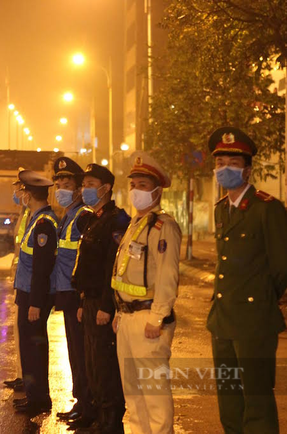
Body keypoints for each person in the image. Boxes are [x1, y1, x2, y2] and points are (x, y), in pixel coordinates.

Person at [207, 127, 287, 434]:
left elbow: (284, 265)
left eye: (231, 164)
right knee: (229, 399)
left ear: (247, 170)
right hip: (222, 320)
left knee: (256, 399)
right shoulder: (222, 210)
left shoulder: (266, 208)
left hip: (254, 321)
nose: (224, 170)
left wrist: (259, 298)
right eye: (219, 164)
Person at [111, 152, 180, 434]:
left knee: (154, 396)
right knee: (134, 396)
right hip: (127, 319)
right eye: (133, 185)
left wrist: (158, 316)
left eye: (142, 185)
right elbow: (123, 273)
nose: (135, 191)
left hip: (148, 320)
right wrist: (118, 312)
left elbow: (167, 274)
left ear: (156, 190)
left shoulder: (163, 226)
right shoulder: (136, 224)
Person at [71, 163, 130, 433]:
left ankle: (110, 419)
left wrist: (107, 306)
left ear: (106, 189)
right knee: (91, 361)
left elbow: (111, 268)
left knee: (106, 364)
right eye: (84, 184)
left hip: (103, 303)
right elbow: (87, 265)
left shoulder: (116, 221)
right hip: (90, 300)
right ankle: (95, 413)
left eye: (91, 184)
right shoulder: (93, 219)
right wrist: (84, 301)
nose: (85, 189)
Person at [50, 157, 95, 429]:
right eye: (58, 184)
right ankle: (81, 401)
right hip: (66, 293)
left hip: (77, 294)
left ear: (78, 189)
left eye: (67, 184)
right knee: (75, 353)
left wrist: (80, 295)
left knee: (82, 352)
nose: (61, 188)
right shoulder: (68, 215)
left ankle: (88, 405)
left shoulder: (83, 216)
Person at [11, 169, 59, 417]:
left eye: (23, 192)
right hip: (27, 292)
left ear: (29, 195)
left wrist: (36, 304)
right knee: (29, 348)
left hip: (34, 295)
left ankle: (39, 398)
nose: (20, 196)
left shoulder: (44, 224)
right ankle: (33, 394)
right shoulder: (35, 218)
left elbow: (42, 269)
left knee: (34, 348)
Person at [3, 176, 31, 393]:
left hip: (28, 284)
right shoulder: (25, 214)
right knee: (19, 333)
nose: (17, 195)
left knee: (27, 335)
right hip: (21, 280)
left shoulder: (36, 217)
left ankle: (28, 380)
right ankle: (22, 375)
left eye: (20, 191)